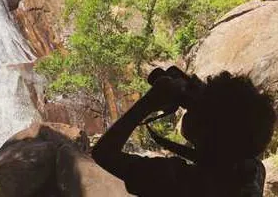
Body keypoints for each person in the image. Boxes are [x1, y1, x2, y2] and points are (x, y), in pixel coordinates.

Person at [92, 66, 276, 197]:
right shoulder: (252, 172)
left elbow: (103, 153)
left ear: (205, 129)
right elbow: (220, 154)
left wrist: (149, 102)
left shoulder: (178, 182)